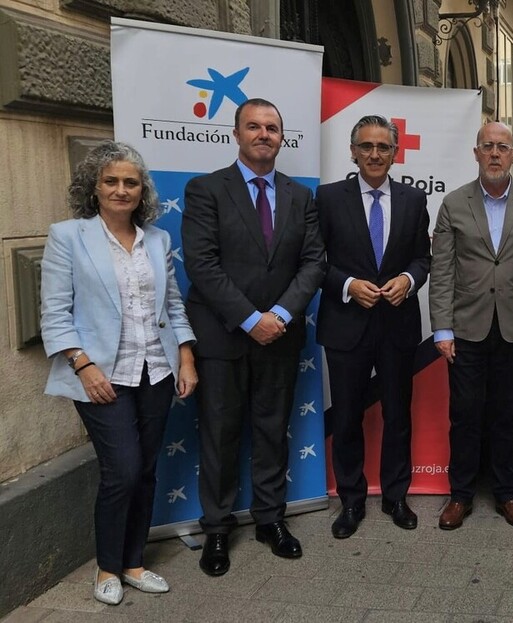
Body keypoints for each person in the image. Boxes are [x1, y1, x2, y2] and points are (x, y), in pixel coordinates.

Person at [40, 141, 198, 604]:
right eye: (111, 181)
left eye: (131, 182)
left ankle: (134, 563)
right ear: (94, 186)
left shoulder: (158, 239)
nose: (121, 189)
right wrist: (82, 365)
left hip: (156, 370)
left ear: (142, 190)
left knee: (146, 470)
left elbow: (172, 305)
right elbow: (54, 313)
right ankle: (107, 568)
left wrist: (186, 357)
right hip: (101, 375)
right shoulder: (67, 235)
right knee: (122, 471)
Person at [182, 98, 325, 576]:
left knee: (271, 432)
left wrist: (279, 314)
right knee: (220, 435)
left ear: (282, 137)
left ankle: (270, 520)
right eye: (254, 127)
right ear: (237, 134)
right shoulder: (205, 190)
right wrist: (250, 318)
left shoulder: (300, 197)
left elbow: (314, 263)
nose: (264, 134)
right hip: (222, 337)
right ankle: (217, 530)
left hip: (280, 336)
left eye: (273, 128)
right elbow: (202, 265)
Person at [316, 115, 431, 539]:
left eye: (383, 147)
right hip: (346, 323)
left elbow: (424, 257)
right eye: (367, 146)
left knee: (397, 415)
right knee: (346, 417)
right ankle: (351, 501)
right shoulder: (328, 198)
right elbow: (315, 260)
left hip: (398, 324)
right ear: (353, 151)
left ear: (395, 153)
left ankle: (396, 496)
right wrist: (347, 284)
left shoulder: (413, 200)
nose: (375, 154)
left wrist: (409, 280)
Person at [430, 121, 513, 530]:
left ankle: (507, 494)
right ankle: (459, 495)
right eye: (487, 147)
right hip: (466, 330)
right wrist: (441, 329)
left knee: (507, 415)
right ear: (476, 153)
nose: (495, 154)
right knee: (464, 414)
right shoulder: (454, 204)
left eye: (503, 147)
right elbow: (442, 270)